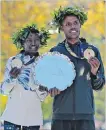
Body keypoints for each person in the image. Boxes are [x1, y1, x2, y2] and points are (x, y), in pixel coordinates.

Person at [49, 6, 105, 130]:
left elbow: (99, 86)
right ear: (62, 27)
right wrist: (50, 87)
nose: (72, 26)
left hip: (85, 117)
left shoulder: (92, 51)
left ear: (80, 25)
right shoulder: (55, 52)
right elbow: (47, 82)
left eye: (75, 23)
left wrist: (94, 73)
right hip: (61, 117)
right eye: (68, 24)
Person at [1, 24, 50, 130]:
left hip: (33, 119)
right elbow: (4, 91)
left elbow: (42, 96)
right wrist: (12, 78)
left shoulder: (44, 64)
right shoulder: (12, 61)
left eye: (36, 39)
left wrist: (41, 88)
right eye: (29, 40)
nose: (33, 43)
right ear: (22, 42)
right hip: (12, 117)